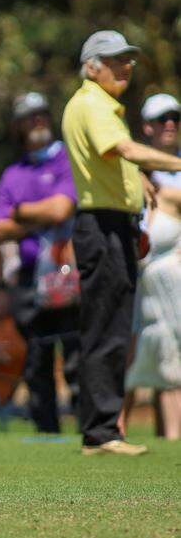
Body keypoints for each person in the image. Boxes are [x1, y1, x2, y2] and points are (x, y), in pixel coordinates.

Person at [62, 30, 181, 455]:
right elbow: (125, 149)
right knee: (106, 329)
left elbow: (114, 160)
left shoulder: (100, 105)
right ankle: (101, 433)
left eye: (128, 60)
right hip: (103, 225)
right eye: (115, 60)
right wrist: (172, 163)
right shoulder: (93, 104)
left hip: (112, 223)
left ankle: (103, 429)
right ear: (92, 66)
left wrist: (139, 181)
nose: (125, 67)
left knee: (111, 327)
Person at [0, 92, 80, 434]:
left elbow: (62, 210)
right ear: (18, 126)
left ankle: (91, 433)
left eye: (42, 113)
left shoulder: (66, 161)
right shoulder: (12, 174)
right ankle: (46, 434)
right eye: (29, 116)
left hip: (68, 275)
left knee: (76, 357)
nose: (37, 121)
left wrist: (22, 211)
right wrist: (43, 216)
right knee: (36, 362)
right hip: (30, 280)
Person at [122, 93, 181, 440]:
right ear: (147, 127)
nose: (170, 124)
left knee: (171, 358)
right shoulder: (131, 169)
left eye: (175, 117)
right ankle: (112, 433)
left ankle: (171, 439)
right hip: (134, 279)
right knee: (128, 359)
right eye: (162, 119)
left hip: (170, 278)